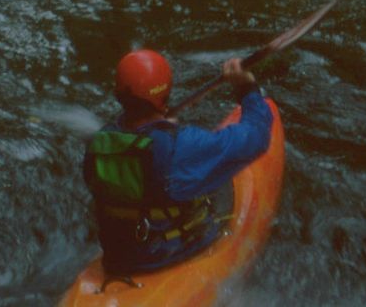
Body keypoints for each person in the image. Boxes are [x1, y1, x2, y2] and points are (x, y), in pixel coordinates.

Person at [82, 50, 272, 275]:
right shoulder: (180, 147)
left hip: (118, 256)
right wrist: (246, 87)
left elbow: (141, 143)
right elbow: (257, 136)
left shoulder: (99, 143)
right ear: (165, 94)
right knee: (218, 189)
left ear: (119, 94)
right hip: (169, 254)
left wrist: (162, 127)